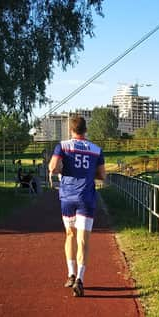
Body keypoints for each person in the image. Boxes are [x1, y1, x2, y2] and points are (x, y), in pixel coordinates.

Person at [49, 116, 106, 297]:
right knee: (83, 239)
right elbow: (102, 175)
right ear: (85, 129)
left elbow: (52, 167)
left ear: (70, 130)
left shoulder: (63, 146)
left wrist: (62, 170)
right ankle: (80, 279)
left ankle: (70, 274)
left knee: (69, 235)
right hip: (86, 198)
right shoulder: (97, 150)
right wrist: (88, 173)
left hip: (67, 196)